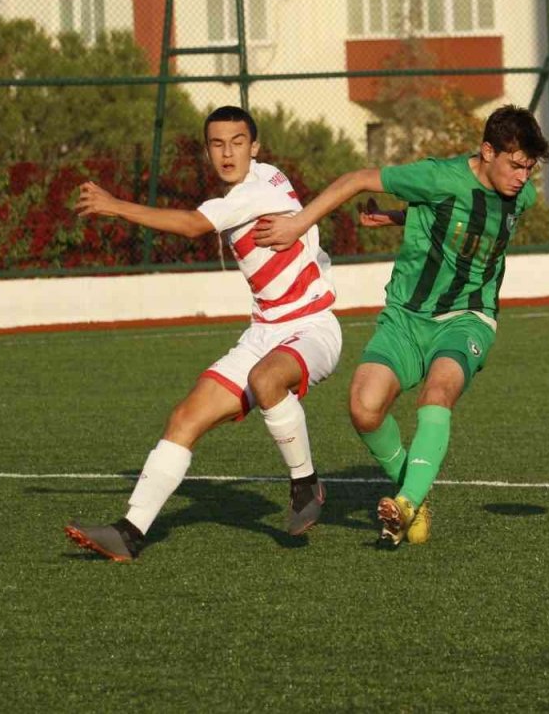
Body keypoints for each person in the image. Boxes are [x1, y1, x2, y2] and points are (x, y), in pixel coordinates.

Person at [253, 104, 549, 549]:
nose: (522, 177)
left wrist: (398, 219)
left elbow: (471, 228)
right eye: (515, 165)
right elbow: (357, 180)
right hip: (406, 316)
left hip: (468, 316)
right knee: (364, 408)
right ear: (487, 151)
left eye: (529, 167)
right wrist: (298, 224)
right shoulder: (436, 177)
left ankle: (407, 501)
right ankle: (418, 496)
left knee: (438, 391)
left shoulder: (520, 196)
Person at [63, 105, 342, 562]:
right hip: (264, 332)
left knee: (266, 380)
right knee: (184, 418)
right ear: (207, 151)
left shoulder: (248, 193)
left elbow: (193, 226)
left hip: (313, 328)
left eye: (237, 142)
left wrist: (114, 206)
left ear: (255, 147)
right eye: (217, 144)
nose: (227, 153)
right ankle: (129, 532)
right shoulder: (268, 178)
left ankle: (305, 484)